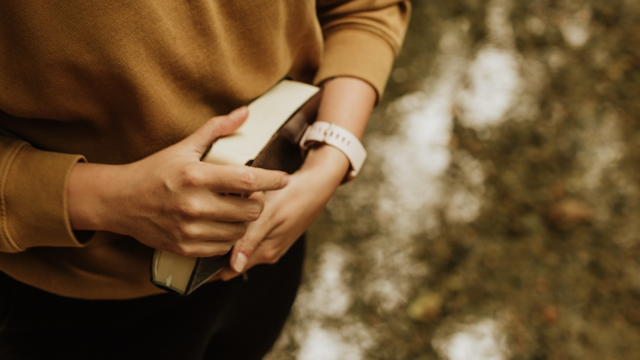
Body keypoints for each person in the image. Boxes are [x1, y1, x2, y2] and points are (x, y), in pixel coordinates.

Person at [0, 1, 410, 359]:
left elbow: (363, 8)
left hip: (275, 233)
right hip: (70, 298)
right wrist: (108, 200)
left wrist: (329, 161)